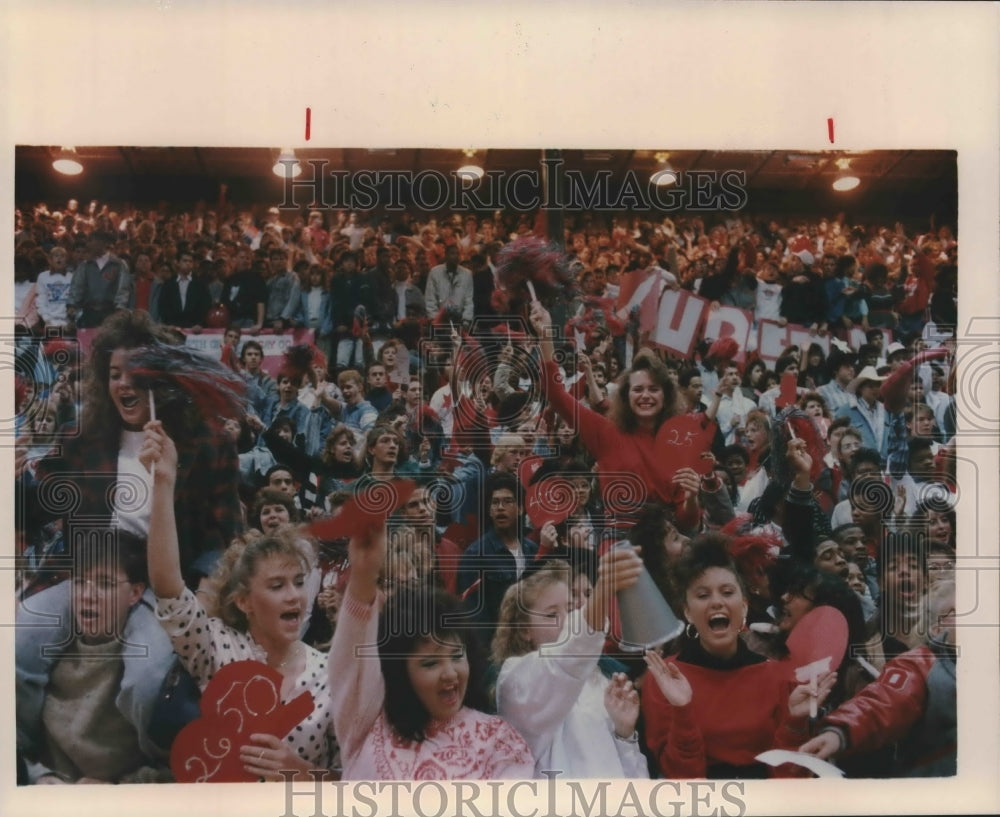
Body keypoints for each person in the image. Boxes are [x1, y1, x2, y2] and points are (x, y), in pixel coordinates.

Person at [142, 420, 338, 777]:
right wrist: (163, 482)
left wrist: (305, 774)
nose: (295, 596)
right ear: (244, 601)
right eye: (277, 586)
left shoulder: (330, 673)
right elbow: (169, 586)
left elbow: (354, 780)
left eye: (298, 582)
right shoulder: (217, 647)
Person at [328, 515, 535, 779]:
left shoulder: (499, 741)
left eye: (456, 656)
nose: (449, 673)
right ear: (400, 671)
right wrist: (363, 576)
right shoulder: (366, 722)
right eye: (430, 663)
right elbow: (349, 660)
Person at [641, 534, 835, 779]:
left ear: (743, 607)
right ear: (688, 612)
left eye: (727, 592)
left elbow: (791, 779)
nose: (717, 603)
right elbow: (679, 780)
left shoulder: (777, 675)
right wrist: (682, 711)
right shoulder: (663, 678)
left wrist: (795, 723)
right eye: (703, 596)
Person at [16, 531, 175, 784]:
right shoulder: (45, 652)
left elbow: (176, 774)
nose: (87, 596)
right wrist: (40, 777)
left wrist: (115, 792)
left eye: (105, 584)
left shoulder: (146, 668)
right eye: (79, 582)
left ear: (135, 593)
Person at [491, 554, 649, 779]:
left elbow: (632, 780)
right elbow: (565, 658)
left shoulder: (599, 680)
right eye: (551, 614)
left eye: (570, 608)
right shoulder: (515, 680)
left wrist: (624, 734)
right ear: (524, 629)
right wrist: (603, 588)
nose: (566, 620)